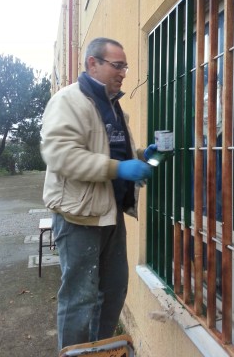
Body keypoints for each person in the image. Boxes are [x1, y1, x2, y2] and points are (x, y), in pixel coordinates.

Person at [40, 37, 157, 351]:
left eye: (125, 67)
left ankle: (101, 351)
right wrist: (119, 170)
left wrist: (141, 156)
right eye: (117, 65)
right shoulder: (69, 101)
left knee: (114, 290)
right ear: (93, 63)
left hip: (109, 212)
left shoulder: (110, 105)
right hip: (78, 215)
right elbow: (60, 155)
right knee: (80, 297)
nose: (123, 73)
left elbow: (111, 152)